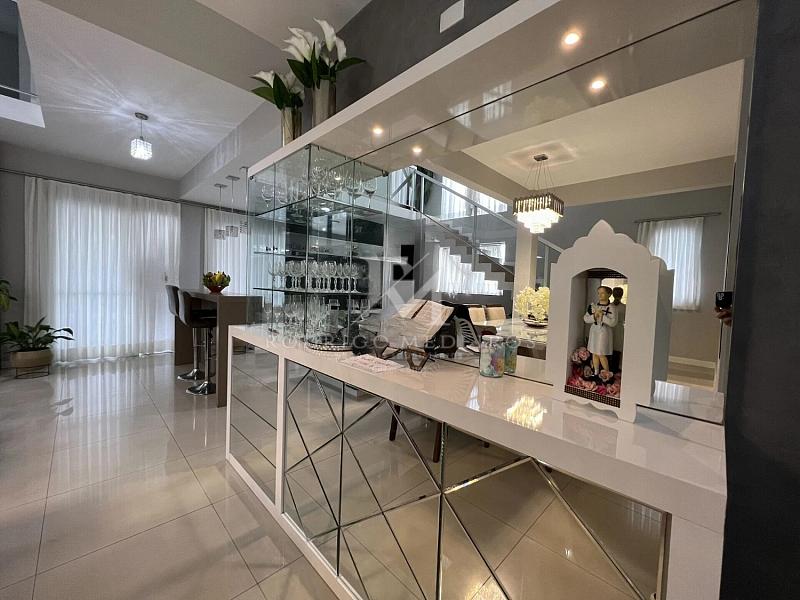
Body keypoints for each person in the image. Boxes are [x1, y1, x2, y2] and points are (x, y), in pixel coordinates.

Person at [583, 285, 617, 376]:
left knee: (601, 353)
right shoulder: (593, 306)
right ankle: (596, 372)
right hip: (594, 332)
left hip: (604, 332)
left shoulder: (612, 307)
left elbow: (613, 322)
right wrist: (594, 316)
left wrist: (603, 316)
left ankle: (606, 373)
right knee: (594, 353)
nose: (600, 295)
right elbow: (586, 318)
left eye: (602, 293)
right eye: (599, 293)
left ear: (609, 294)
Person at [611, 286, 626, 371]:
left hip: (619, 329)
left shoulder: (624, 307)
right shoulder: (610, 306)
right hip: (610, 328)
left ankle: (616, 368)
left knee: (617, 347)